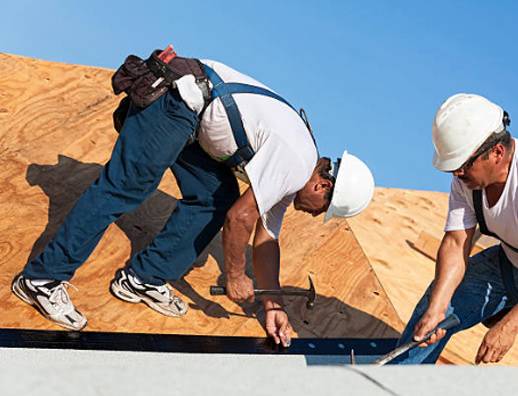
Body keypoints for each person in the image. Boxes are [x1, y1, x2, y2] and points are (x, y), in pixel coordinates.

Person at [12, 50, 374, 347]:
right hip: (175, 101)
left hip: (192, 117)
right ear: (323, 187)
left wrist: (272, 305)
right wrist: (234, 275)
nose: (314, 216)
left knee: (213, 198)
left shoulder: (296, 166)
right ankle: (40, 280)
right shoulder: (296, 163)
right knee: (124, 187)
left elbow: (266, 238)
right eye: (322, 211)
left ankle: (143, 279)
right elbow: (240, 220)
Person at [392, 93, 518, 364]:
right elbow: (456, 242)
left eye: (463, 166)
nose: (457, 175)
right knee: (435, 308)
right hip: (508, 265)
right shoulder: (465, 181)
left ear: (497, 152)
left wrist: (510, 325)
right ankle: (398, 379)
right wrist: (438, 307)